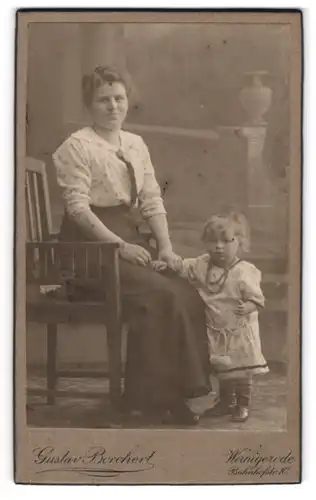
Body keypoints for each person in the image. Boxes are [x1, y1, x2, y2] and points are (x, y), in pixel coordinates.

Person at [52, 64, 211, 425]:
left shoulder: (135, 144)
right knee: (161, 295)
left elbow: (152, 200)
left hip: (129, 239)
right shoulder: (76, 146)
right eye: (103, 100)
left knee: (184, 290)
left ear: (128, 101)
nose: (113, 106)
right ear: (89, 105)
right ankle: (151, 401)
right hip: (89, 250)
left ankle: (167, 397)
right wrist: (120, 246)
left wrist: (167, 248)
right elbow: (78, 210)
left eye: (119, 98)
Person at [154, 212, 269, 422]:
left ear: (240, 242)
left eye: (227, 241)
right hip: (216, 328)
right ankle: (226, 402)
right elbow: (182, 266)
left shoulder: (245, 271)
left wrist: (249, 306)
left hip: (239, 330)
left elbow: (258, 298)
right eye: (213, 241)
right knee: (223, 369)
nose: (219, 246)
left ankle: (243, 403)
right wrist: (167, 264)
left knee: (242, 370)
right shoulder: (203, 265)